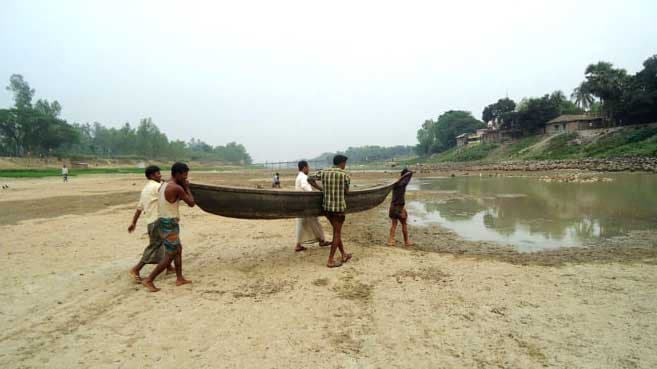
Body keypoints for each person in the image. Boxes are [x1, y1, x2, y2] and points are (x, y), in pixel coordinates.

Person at [142, 162, 195, 292]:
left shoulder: (164, 185)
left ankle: (179, 277)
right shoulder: (177, 188)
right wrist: (187, 188)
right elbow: (191, 203)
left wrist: (183, 186)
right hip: (169, 223)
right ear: (177, 174)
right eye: (184, 175)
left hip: (164, 221)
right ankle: (149, 279)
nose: (185, 178)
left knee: (178, 249)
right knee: (171, 253)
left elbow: (171, 200)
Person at [127, 165, 174, 282]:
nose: (160, 175)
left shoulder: (145, 189)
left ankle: (169, 267)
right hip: (158, 220)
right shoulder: (157, 187)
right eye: (158, 173)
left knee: (164, 244)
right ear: (152, 176)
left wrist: (133, 222)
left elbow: (139, 208)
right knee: (155, 245)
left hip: (151, 222)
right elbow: (171, 193)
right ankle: (136, 269)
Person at [309, 155, 352, 268]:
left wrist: (321, 189)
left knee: (336, 231)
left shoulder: (324, 172)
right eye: (345, 163)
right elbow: (347, 192)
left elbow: (309, 178)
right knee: (337, 233)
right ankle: (330, 260)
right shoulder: (344, 175)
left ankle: (344, 254)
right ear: (342, 163)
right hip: (339, 210)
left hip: (327, 208)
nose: (345, 165)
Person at [294, 160, 331, 252]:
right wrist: (312, 194)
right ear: (304, 168)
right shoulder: (303, 177)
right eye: (308, 167)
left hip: (302, 204)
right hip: (306, 204)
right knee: (311, 223)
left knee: (306, 223)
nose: (309, 169)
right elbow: (305, 187)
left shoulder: (299, 176)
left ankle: (320, 240)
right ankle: (321, 240)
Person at [388, 168, 413, 247]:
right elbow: (410, 173)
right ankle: (406, 242)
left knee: (394, 224)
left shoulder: (396, 183)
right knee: (404, 224)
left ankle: (391, 240)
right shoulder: (402, 184)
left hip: (393, 206)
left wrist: (401, 177)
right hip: (399, 207)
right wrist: (405, 175)